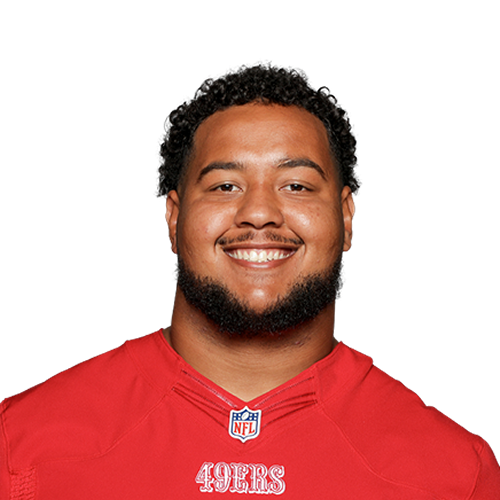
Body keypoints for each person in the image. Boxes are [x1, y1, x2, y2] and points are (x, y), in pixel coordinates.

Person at [1, 60, 498, 499]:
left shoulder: (455, 474)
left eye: (296, 185)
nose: (259, 213)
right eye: (225, 185)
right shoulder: (20, 443)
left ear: (347, 217)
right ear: (173, 217)